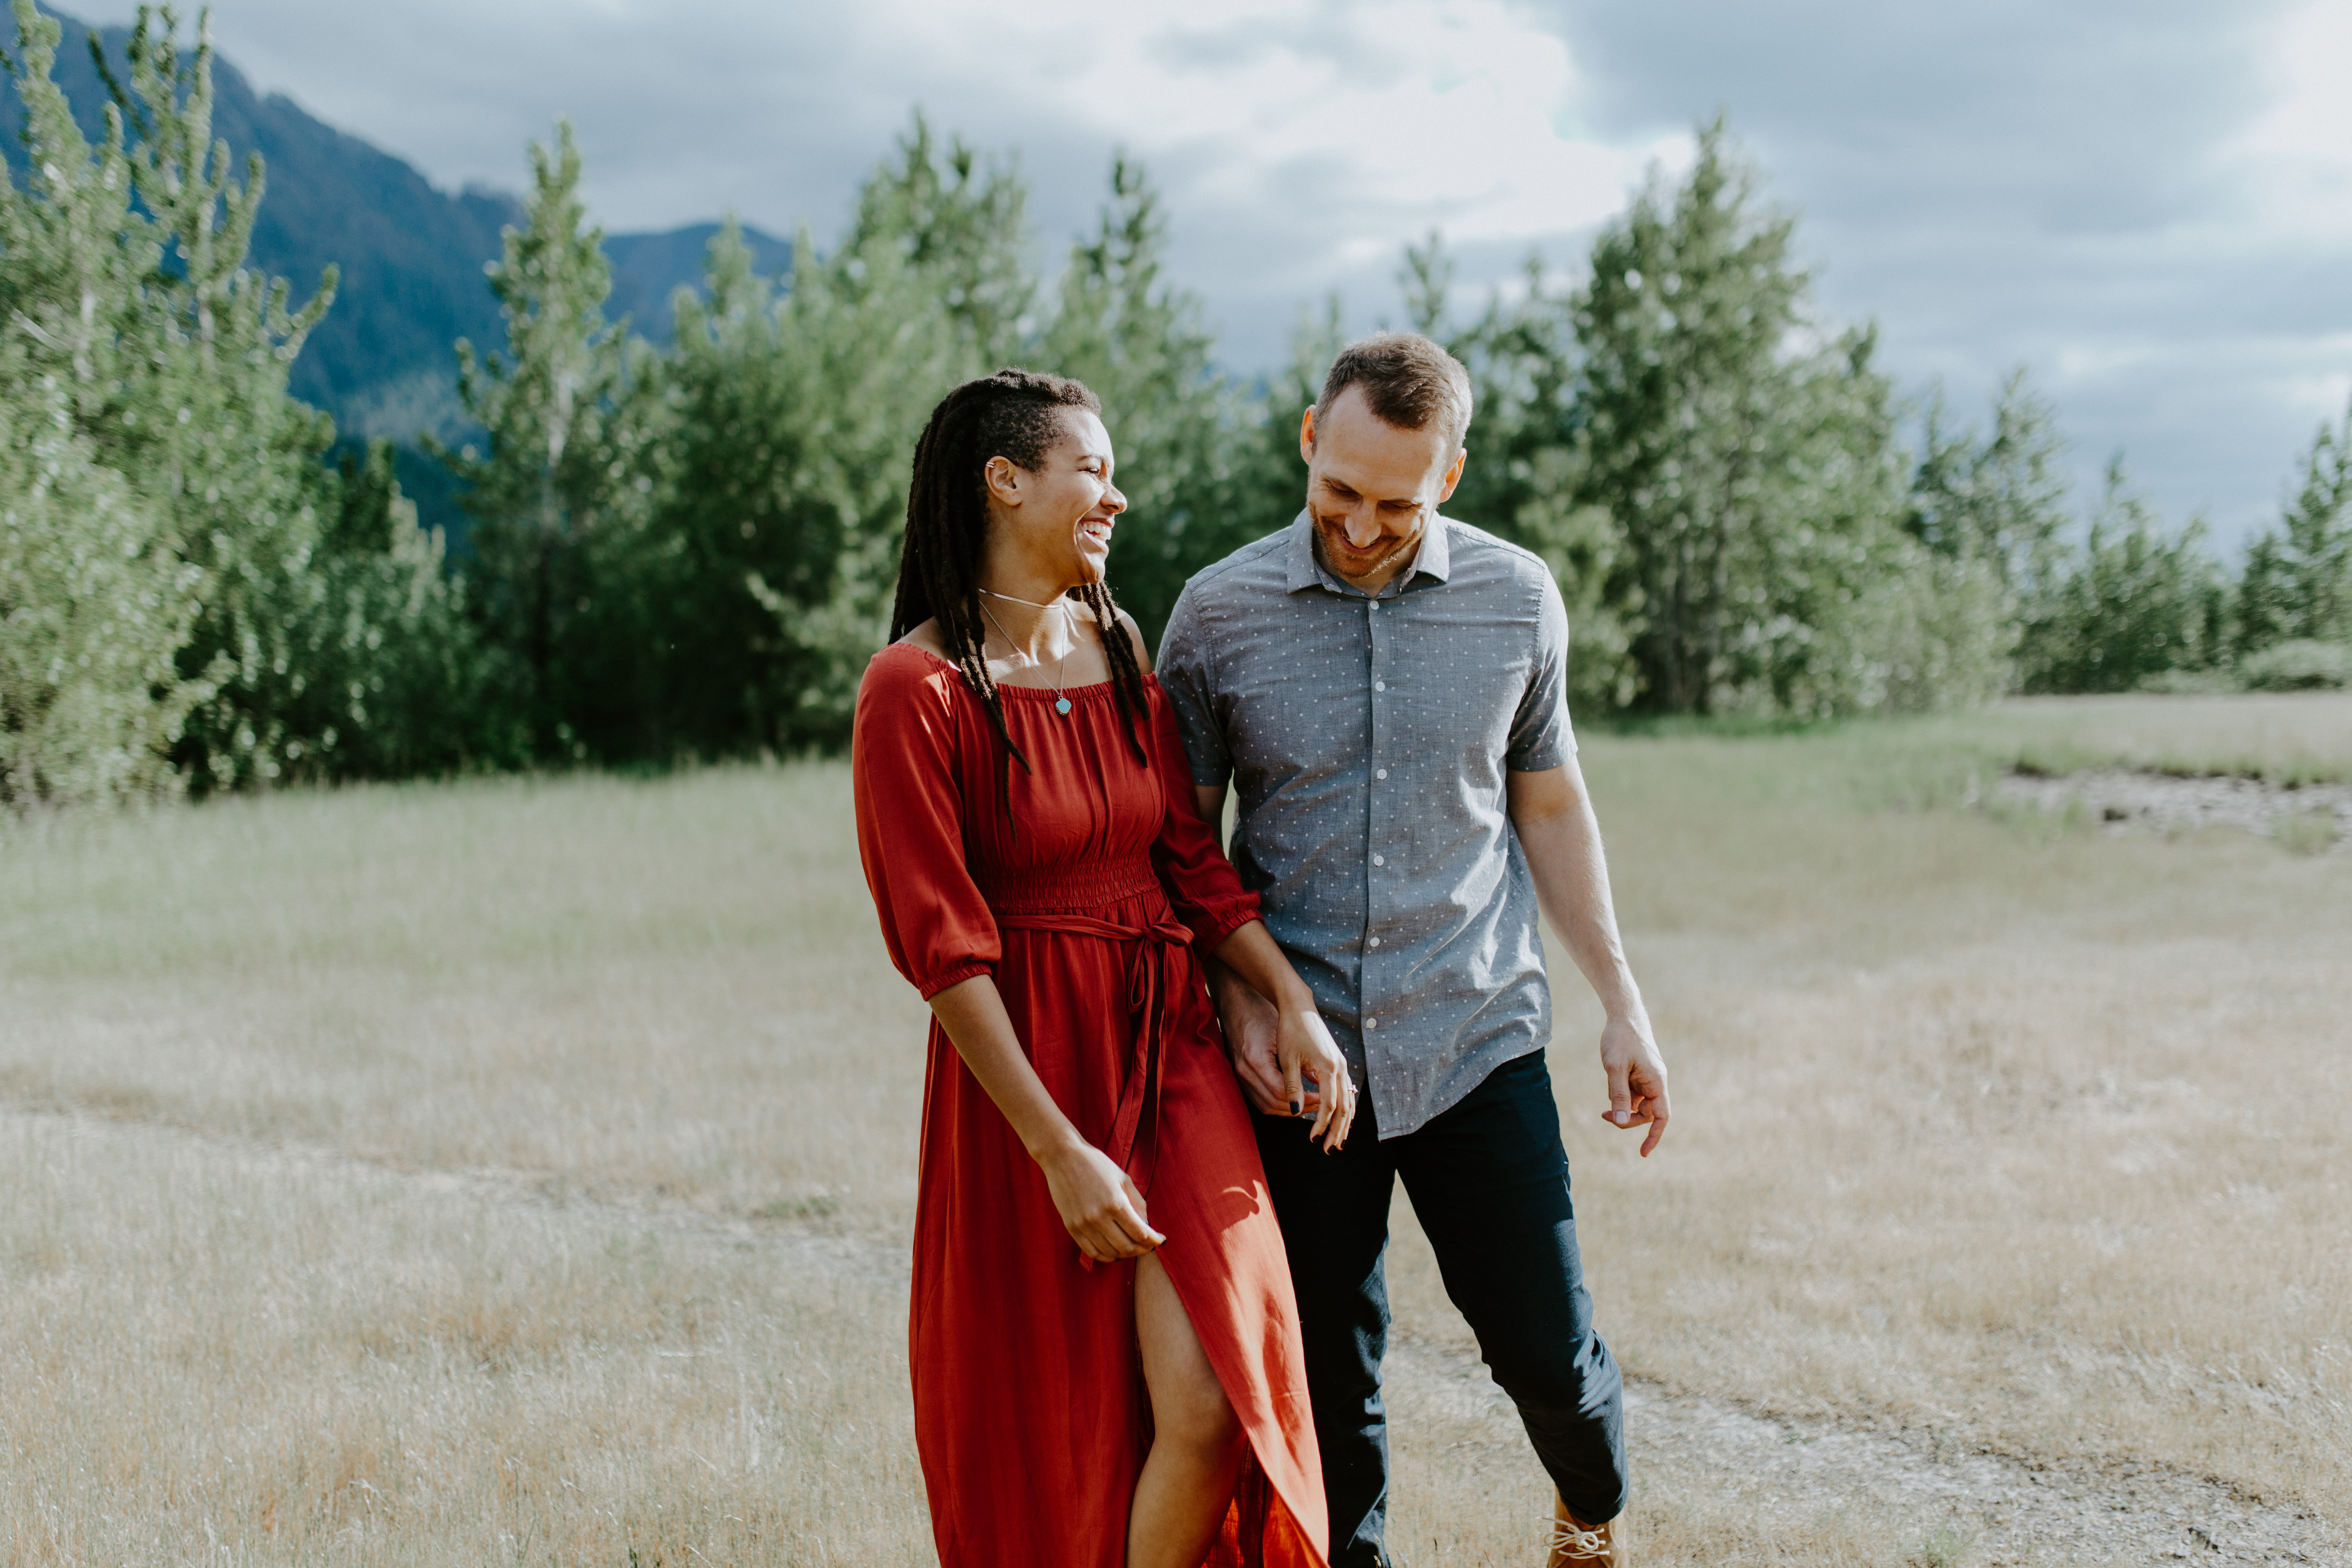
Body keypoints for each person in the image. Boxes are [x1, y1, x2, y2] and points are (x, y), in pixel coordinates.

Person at [1156, 333, 1672, 1568]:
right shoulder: (1216, 616)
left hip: (1474, 1037)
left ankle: (1590, 1510)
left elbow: (1548, 806)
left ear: (1450, 472)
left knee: (1546, 1353)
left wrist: (1623, 1003)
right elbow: (1183, 847)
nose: (1361, 524)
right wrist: (1243, 1013)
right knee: (1331, 1385)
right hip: (1301, 1063)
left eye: (1397, 501)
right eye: (1340, 490)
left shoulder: (1518, 598)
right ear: (1307, 441)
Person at [851, 368, 1360, 1568]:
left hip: (1169, 1046)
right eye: (1094, 470)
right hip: (1031, 1072)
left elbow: (1187, 859)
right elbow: (943, 953)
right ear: (1006, 480)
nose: (1117, 498)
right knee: (1061, 1419)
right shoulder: (912, 692)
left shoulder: (1119, 644)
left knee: (1216, 1397)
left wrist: (1288, 999)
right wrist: (1056, 1149)